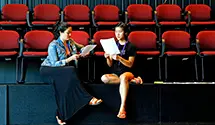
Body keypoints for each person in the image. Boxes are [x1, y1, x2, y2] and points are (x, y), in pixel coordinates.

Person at [40, 22, 102, 125]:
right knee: (71, 70)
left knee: (64, 86)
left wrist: (84, 51)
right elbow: (54, 64)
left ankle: (61, 115)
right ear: (60, 32)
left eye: (71, 33)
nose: (70, 35)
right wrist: (70, 58)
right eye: (68, 33)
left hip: (64, 71)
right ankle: (88, 98)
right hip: (48, 70)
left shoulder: (71, 42)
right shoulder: (53, 45)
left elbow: (81, 47)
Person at [101, 22, 143, 119]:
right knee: (104, 78)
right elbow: (110, 64)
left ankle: (122, 107)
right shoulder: (113, 45)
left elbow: (130, 64)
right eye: (116, 32)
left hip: (127, 72)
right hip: (116, 73)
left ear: (125, 33)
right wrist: (107, 57)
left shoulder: (131, 46)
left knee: (124, 77)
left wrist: (119, 58)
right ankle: (131, 81)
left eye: (120, 32)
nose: (117, 34)